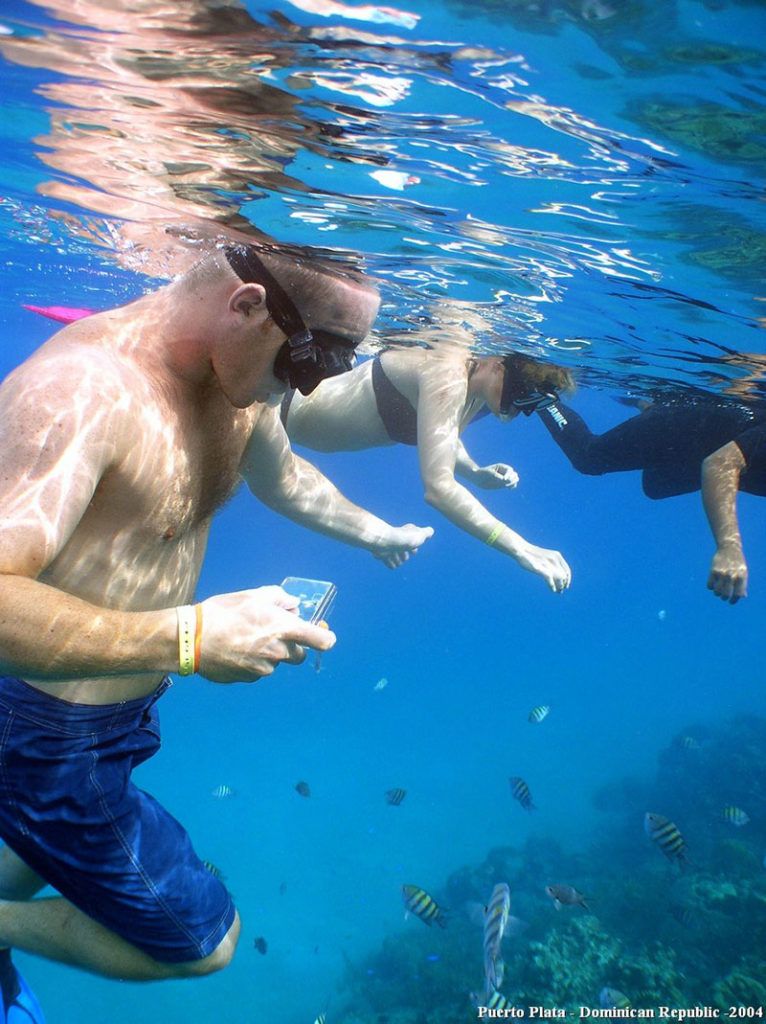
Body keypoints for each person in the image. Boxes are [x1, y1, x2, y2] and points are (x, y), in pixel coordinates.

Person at [0, 240, 434, 1011]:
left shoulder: (241, 382)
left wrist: (376, 532)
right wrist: (191, 639)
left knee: (42, 850)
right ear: (247, 307)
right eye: (308, 364)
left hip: (114, 713)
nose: (310, 385)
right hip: (44, 734)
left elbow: (283, 473)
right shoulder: (81, 394)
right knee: (202, 946)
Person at [282, 343, 574, 592]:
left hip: (287, 419)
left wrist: (474, 471)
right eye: (520, 392)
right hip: (277, 409)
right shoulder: (448, 374)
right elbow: (439, 490)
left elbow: (442, 437)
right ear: (497, 364)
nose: (517, 408)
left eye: (530, 404)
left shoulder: (472, 388)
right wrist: (520, 548)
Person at [536, 392, 766, 603]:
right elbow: (720, 464)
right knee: (588, 457)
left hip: (697, 445)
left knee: (656, 487)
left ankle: (652, 408)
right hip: (682, 425)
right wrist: (729, 547)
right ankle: (539, 396)